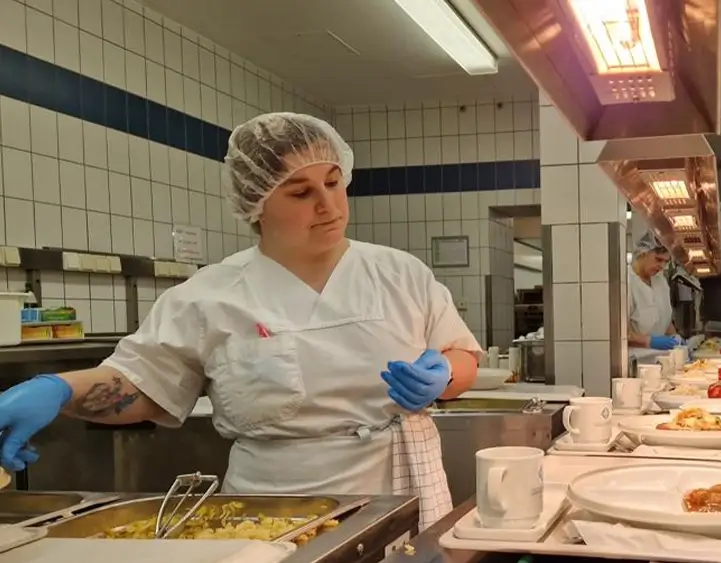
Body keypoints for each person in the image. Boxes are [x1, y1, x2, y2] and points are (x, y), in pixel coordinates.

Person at [0, 113, 481, 531]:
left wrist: (442, 375)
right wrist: (60, 390)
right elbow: (143, 385)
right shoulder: (209, 296)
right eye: (301, 192)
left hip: (401, 496)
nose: (328, 205)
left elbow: (461, 355)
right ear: (257, 205)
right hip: (275, 513)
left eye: (334, 183)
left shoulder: (399, 273)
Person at [628, 232, 684, 358]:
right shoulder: (626, 283)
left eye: (666, 261)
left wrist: (676, 339)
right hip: (638, 362)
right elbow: (619, 334)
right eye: (658, 259)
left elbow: (664, 319)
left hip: (662, 359)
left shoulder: (660, 281)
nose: (662, 266)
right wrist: (650, 341)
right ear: (643, 253)